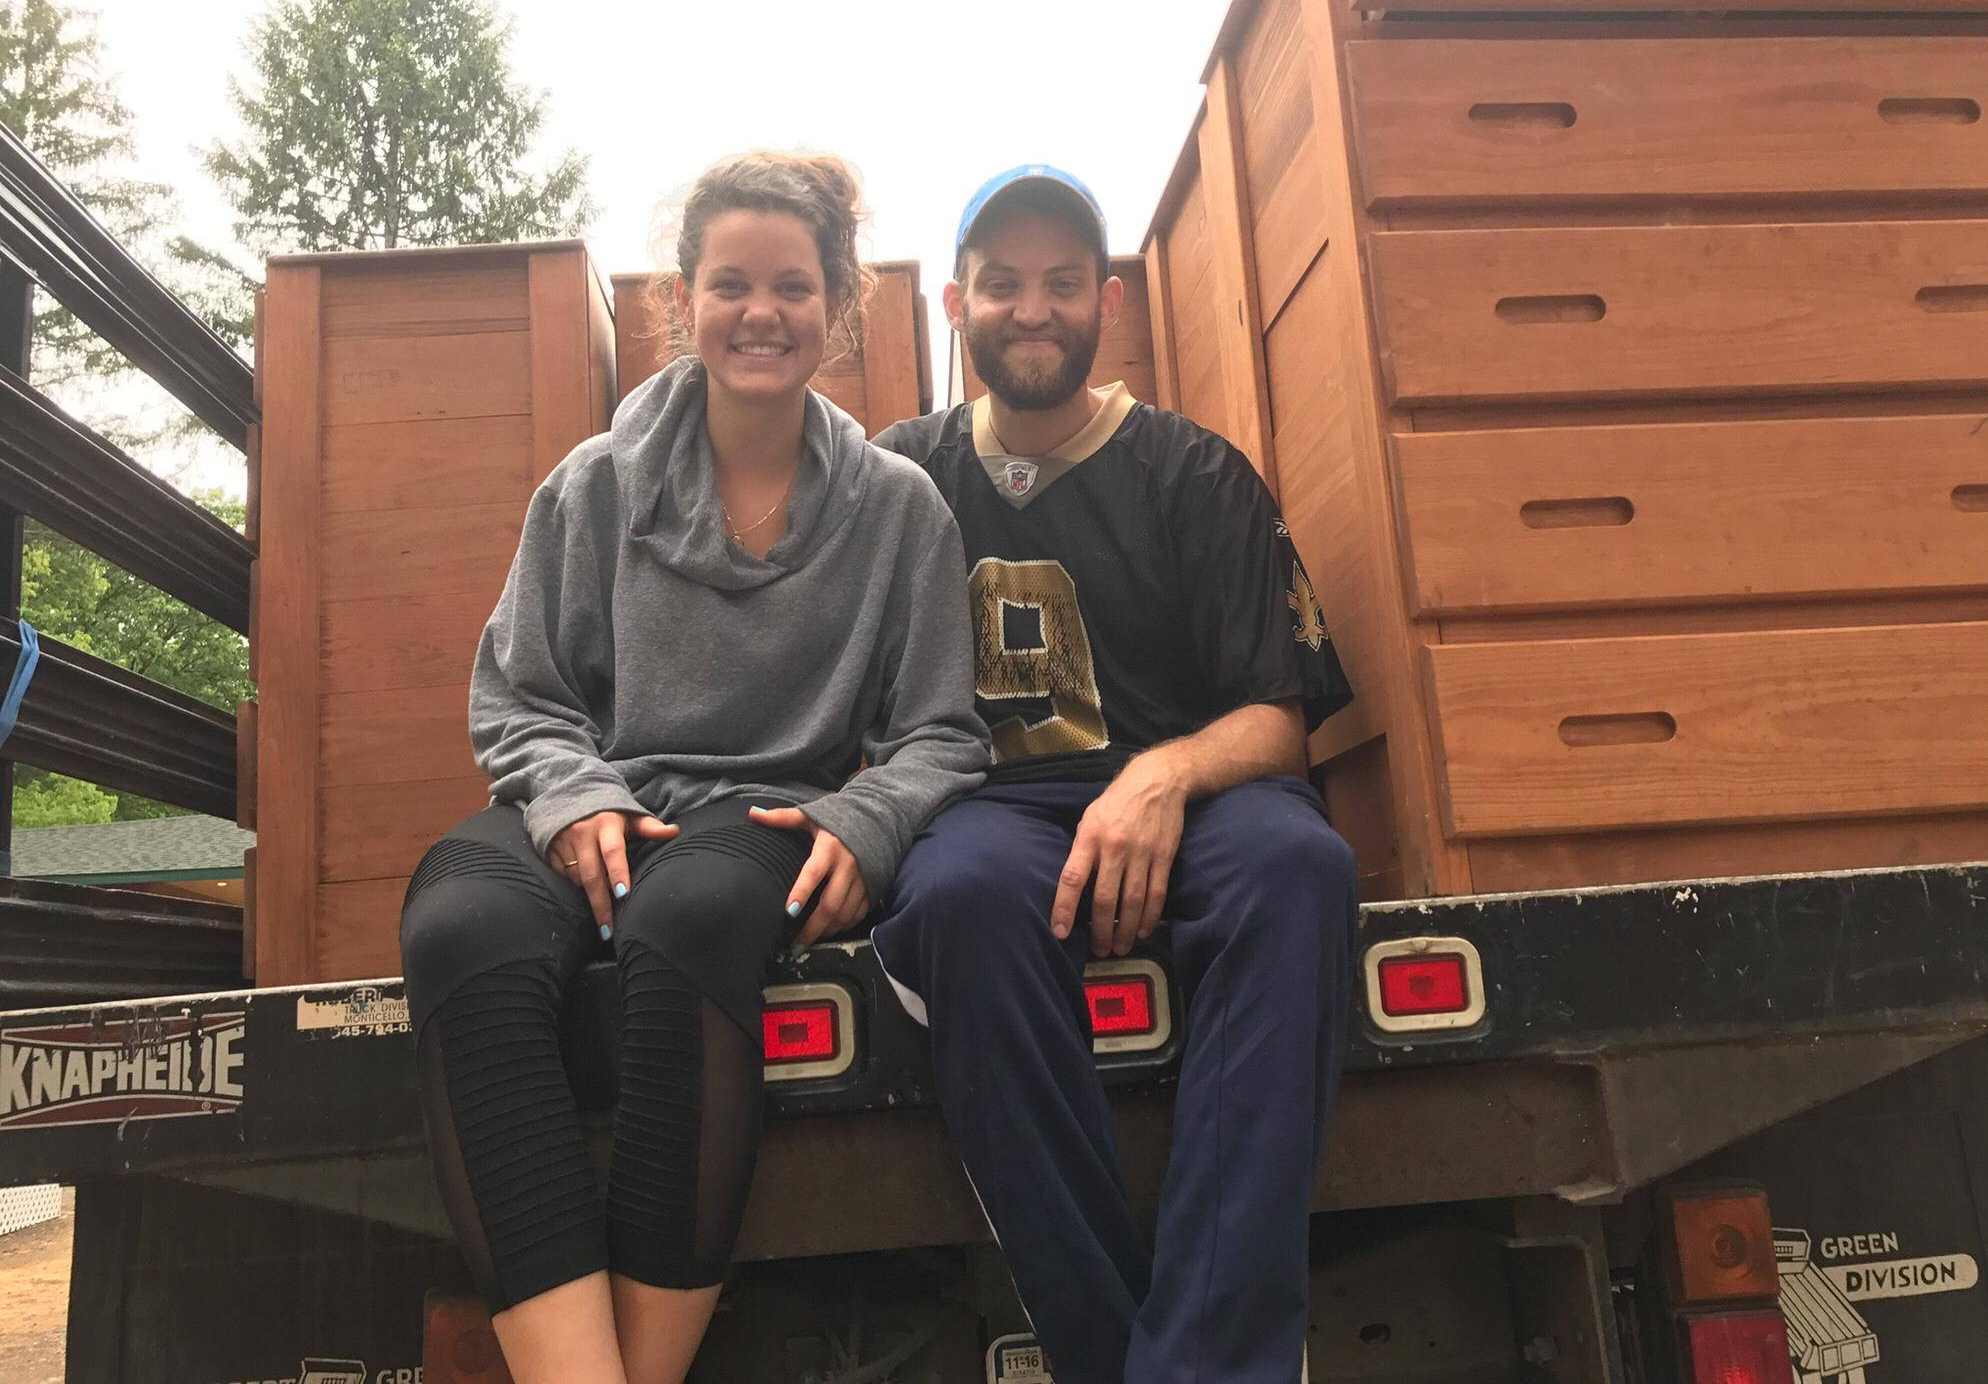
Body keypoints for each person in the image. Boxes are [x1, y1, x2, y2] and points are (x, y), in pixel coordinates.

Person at [398, 152, 989, 1384]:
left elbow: (940, 730)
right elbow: (518, 698)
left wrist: (870, 820)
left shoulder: (900, 509)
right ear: (683, 300)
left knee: (689, 918)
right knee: (457, 921)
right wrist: (574, 807)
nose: (759, 312)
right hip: (596, 798)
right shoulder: (591, 488)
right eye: (730, 283)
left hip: (764, 811)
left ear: (835, 307)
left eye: (789, 285)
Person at [872, 165, 1359, 1384]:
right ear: (952, 304)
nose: (1029, 309)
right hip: (991, 808)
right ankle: (1113, 1359)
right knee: (961, 902)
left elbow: (1277, 720)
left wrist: (1158, 779)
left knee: (1299, 864)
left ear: (1106, 299)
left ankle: (1211, 1363)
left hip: (1196, 797)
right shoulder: (897, 479)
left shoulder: (1195, 474)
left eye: (1058, 282)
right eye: (1000, 285)